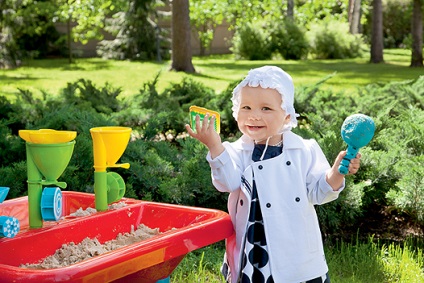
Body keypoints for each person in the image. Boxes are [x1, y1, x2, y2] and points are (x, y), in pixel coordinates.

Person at [185, 66, 361, 283]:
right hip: (254, 246)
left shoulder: (304, 150)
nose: (254, 116)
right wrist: (214, 146)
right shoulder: (235, 151)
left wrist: (336, 172)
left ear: (286, 115)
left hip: (296, 251)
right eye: (246, 107)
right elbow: (227, 182)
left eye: (266, 109)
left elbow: (320, 194)